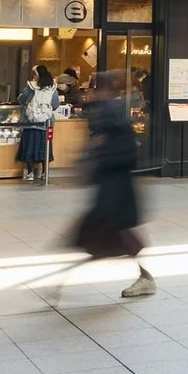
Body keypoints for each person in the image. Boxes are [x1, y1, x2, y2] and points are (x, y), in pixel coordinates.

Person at [70, 70, 154, 299]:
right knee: (114, 234)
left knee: (114, 233)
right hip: (115, 185)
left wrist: (91, 161)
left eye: (95, 88)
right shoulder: (111, 111)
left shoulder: (109, 113)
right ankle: (144, 277)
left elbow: (106, 145)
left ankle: (145, 278)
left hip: (116, 188)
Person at [17, 65, 60, 183]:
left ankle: (30, 173)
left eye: (34, 74)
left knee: (29, 146)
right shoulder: (52, 88)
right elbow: (56, 105)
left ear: (37, 75)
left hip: (30, 122)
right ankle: (44, 172)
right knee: (45, 147)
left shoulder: (30, 87)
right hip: (46, 123)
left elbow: (21, 99)